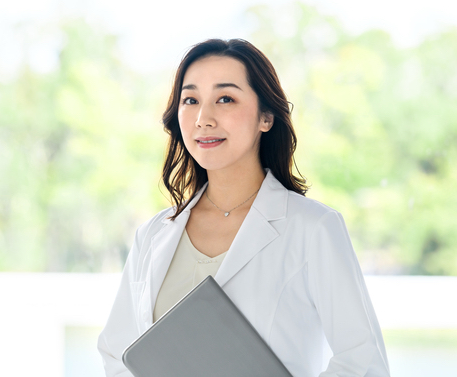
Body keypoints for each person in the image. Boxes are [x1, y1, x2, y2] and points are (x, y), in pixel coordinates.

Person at [97, 39, 390, 376]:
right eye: (190, 100)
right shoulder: (152, 234)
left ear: (266, 117)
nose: (203, 118)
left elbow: (364, 363)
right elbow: (116, 355)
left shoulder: (314, 228)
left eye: (225, 99)